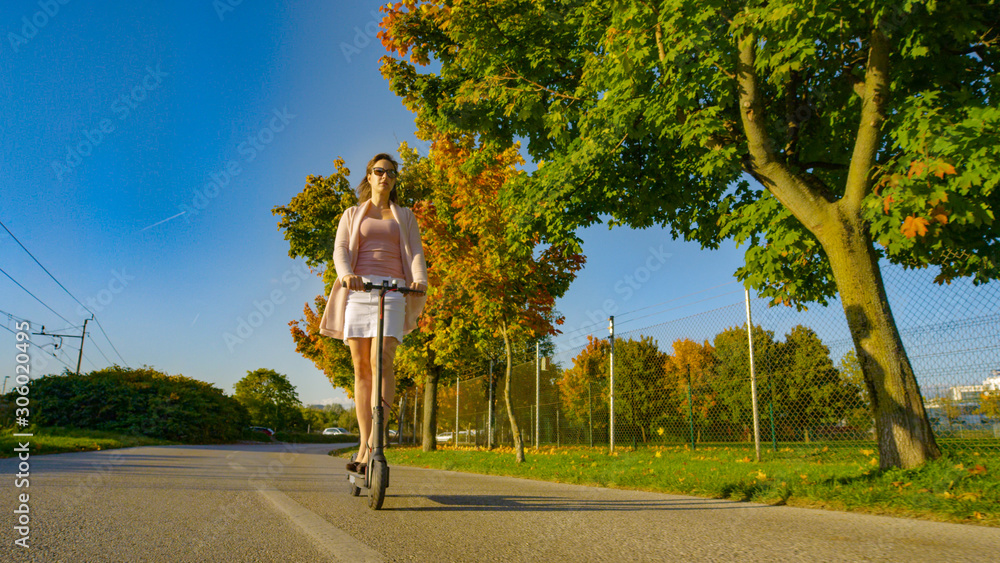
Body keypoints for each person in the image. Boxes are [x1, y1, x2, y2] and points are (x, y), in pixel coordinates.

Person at [319, 153, 427, 474]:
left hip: (393, 291)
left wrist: (419, 280)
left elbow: (416, 251)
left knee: (383, 360)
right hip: (359, 290)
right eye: (379, 171)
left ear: (394, 180)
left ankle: (376, 442)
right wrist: (345, 273)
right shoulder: (352, 214)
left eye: (391, 173)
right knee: (361, 368)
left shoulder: (404, 216)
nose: (385, 176)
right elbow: (340, 249)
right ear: (369, 176)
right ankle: (364, 443)